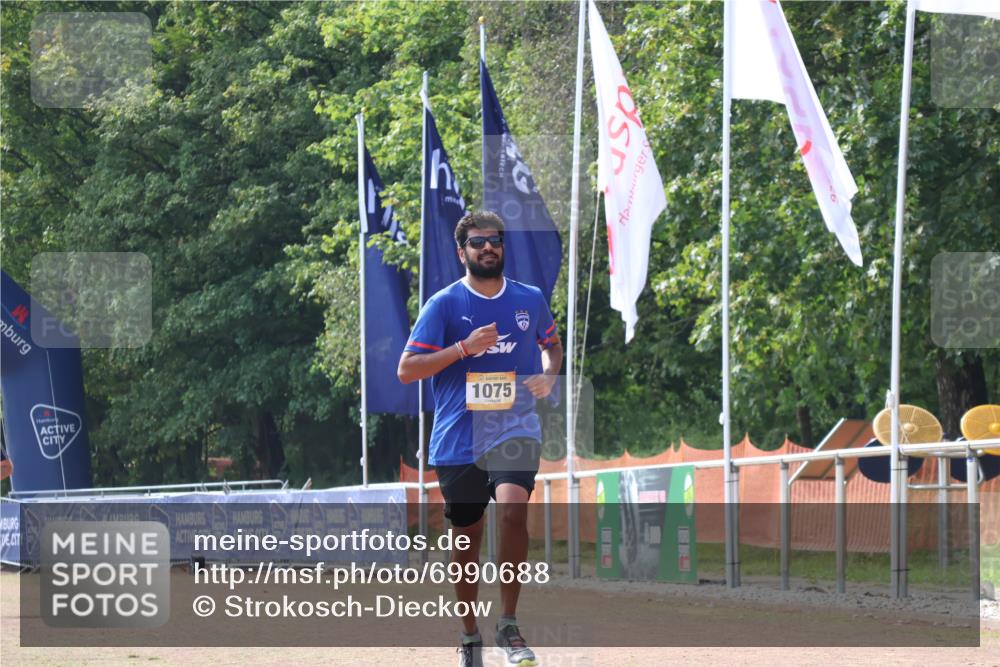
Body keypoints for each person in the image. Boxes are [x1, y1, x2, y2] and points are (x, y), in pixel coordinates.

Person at [398, 210, 562, 667]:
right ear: (462, 252)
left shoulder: (529, 300)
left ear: (502, 247)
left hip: (514, 428)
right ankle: (469, 633)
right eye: (477, 242)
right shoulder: (444, 305)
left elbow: (551, 345)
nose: (488, 247)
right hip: (458, 439)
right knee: (466, 538)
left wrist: (549, 376)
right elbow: (407, 370)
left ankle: (508, 624)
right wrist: (465, 348)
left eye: (495, 240)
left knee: (513, 509)